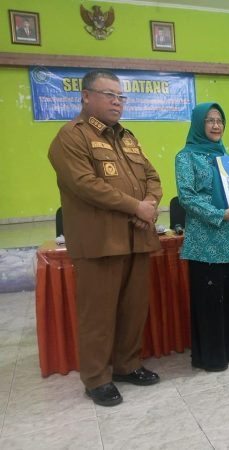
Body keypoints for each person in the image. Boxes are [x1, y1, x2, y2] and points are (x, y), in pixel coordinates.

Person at [48, 70, 162, 407]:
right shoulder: (71, 137)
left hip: (136, 237)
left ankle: (127, 365)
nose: (117, 102)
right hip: (99, 242)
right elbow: (85, 184)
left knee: (133, 309)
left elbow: (152, 176)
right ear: (85, 96)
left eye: (120, 96)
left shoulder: (127, 137)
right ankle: (96, 378)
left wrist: (149, 204)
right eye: (109, 94)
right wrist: (136, 207)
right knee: (97, 315)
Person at [175, 102, 229, 371]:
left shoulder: (228, 158)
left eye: (220, 120)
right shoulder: (186, 157)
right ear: (199, 124)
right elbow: (187, 197)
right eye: (209, 120)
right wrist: (219, 214)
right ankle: (211, 356)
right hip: (206, 240)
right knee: (209, 299)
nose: (216, 125)